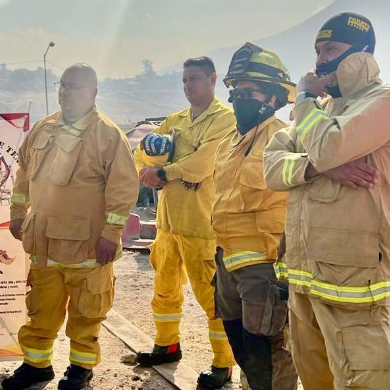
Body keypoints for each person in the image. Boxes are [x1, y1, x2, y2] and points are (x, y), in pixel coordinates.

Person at [263, 12, 390, 390]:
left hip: (354, 286)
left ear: (362, 53)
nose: (320, 59)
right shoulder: (322, 113)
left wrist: (303, 99)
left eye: (331, 48)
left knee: (363, 381)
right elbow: (271, 168)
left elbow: (330, 146)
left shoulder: (381, 102)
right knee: (315, 380)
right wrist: (317, 168)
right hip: (304, 284)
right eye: (318, 50)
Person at [2, 64, 139, 390]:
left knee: (85, 315)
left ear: (93, 92)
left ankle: (80, 368)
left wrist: (111, 234)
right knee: (40, 311)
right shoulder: (43, 128)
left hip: (88, 248)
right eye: (62, 86)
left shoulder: (107, 135)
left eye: (74, 87)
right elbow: (23, 174)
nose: (65, 92)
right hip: (44, 244)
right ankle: (37, 366)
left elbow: (122, 190)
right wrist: (17, 212)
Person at [133, 56, 235, 389]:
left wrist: (164, 171)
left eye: (194, 79)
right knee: (164, 290)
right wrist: (151, 167)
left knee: (213, 298)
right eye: (184, 81)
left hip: (201, 226)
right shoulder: (175, 120)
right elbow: (142, 153)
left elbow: (205, 163)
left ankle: (223, 363)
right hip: (168, 223)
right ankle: (167, 345)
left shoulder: (225, 119)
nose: (188, 86)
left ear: (212, 79)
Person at [212, 43, 298, 390]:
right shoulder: (230, 142)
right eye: (235, 91)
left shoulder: (287, 138)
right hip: (227, 264)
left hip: (265, 266)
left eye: (248, 91)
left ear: (274, 98)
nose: (238, 99)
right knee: (244, 351)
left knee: (270, 353)